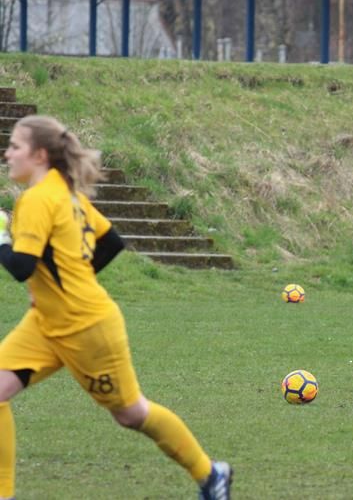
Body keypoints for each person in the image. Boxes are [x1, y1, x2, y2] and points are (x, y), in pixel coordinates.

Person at [0, 116, 232, 499]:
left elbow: (22, 266)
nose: (7, 154)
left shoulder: (39, 199)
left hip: (87, 328)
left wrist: (1, 239)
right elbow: (110, 243)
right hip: (45, 322)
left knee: (130, 413)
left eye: (15, 146)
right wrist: (60, 286)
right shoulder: (66, 194)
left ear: (39, 155)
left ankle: (211, 474)